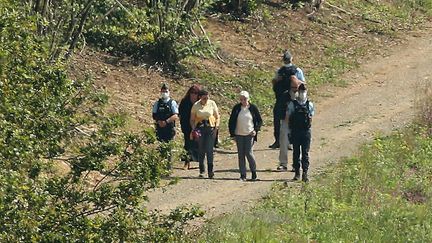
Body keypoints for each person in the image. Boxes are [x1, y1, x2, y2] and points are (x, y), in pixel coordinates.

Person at [270, 50, 305, 151]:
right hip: (292, 98)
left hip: (280, 98)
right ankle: (289, 141)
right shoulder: (297, 70)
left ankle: (277, 141)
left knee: (277, 120)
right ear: (291, 59)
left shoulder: (279, 71)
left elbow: (274, 83)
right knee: (290, 120)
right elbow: (303, 84)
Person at [228, 91, 263, 181]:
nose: (243, 101)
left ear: (248, 99)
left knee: (248, 153)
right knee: (241, 154)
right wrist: (232, 134)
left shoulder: (253, 108)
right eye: (241, 99)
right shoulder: (236, 108)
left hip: (249, 134)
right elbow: (231, 121)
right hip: (239, 134)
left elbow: (259, 121)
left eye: (245, 99)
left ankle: (254, 172)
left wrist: (255, 130)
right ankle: (243, 175)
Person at [190, 90, 220, 179]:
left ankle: (211, 171)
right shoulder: (196, 105)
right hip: (200, 128)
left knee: (210, 149)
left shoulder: (212, 103)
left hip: (210, 127)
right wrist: (193, 129)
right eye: (204, 98)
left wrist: (216, 127)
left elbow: (217, 116)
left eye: (207, 98)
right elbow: (192, 119)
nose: (206, 99)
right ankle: (202, 170)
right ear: (200, 97)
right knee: (201, 149)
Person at [287, 83, 314, 182]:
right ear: (298, 92)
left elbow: (311, 117)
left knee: (305, 153)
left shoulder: (309, 104)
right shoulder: (292, 104)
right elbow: (288, 118)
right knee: (296, 153)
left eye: (304, 91)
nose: (302, 93)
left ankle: (305, 173)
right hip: (295, 131)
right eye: (301, 91)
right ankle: (297, 172)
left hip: (306, 131)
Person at [179, 84, 201, 170]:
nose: (193, 94)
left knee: (197, 144)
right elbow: (180, 113)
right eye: (192, 92)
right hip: (186, 125)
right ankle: (186, 162)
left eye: (195, 93)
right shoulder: (185, 101)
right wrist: (182, 124)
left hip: (198, 126)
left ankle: (199, 162)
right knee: (187, 143)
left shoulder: (200, 102)